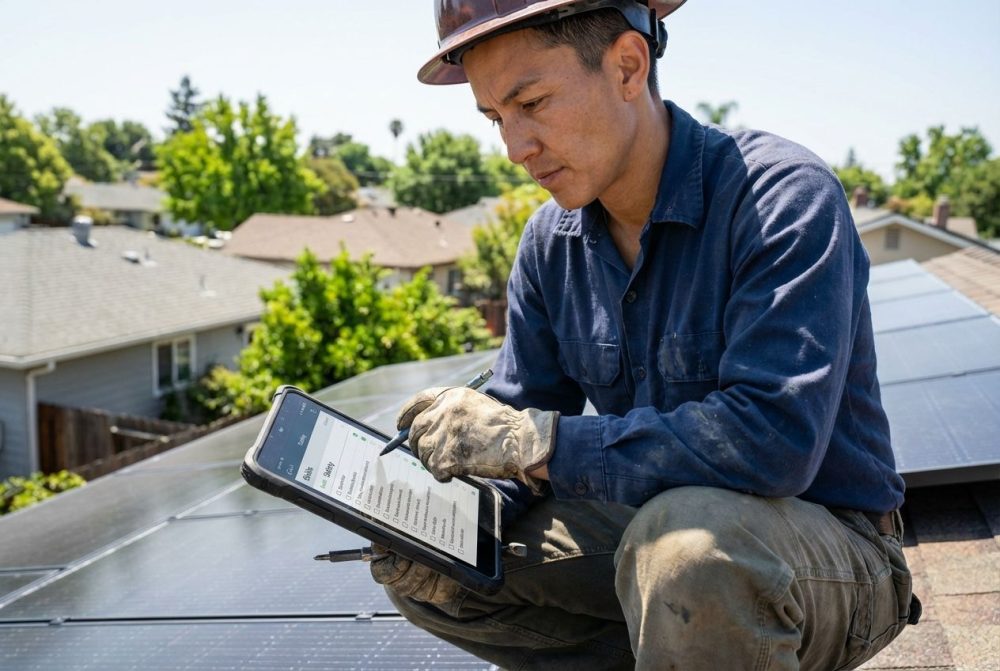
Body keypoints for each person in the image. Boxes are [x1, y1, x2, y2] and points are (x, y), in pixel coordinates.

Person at [369, 2, 919, 668]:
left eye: (532, 103)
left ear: (629, 65)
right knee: (445, 559)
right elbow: (514, 441)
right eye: (496, 119)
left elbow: (773, 442)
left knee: (689, 553)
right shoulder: (549, 247)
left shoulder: (780, 197)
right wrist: (444, 512)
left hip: (832, 550)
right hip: (659, 536)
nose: (515, 149)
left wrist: (535, 442)